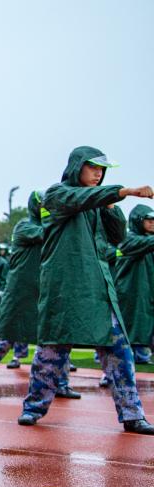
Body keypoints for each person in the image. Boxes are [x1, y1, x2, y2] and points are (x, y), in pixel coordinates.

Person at [18, 147, 153, 434]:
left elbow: (118, 236)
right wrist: (122, 192)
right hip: (65, 288)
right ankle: (33, 408)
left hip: (99, 288)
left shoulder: (98, 202)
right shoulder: (56, 194)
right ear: (76, 166)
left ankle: (132, 414)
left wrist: (111, 206)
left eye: (102, 170)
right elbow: (77, 199)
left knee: (120, 351)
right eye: (93, 167)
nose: (98, 174)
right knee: (52, 351)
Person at [0, 192, 77, 397]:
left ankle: (61, 383)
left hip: (46, 291)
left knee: (56, 339)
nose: (48, 209)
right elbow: (47, 232)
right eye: (44, 205)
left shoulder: (54, 228)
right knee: (5, 337)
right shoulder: (25, 227)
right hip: (20, 292)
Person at [114, 205, 154, 364]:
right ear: (138, 220)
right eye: (148, 220)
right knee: (132, 325)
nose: (152, 222)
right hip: (131, 291)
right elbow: (141, 244)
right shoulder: (128, 239)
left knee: (142, 324)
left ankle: (142, 356)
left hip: (146, 291)